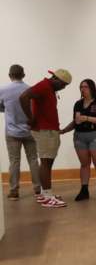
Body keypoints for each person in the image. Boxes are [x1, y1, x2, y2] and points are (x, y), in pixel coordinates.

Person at [19, 69, 71, 208]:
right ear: (56, 79)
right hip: (45, 130)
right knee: (46, 162)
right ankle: (47, 197)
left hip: (48, 129)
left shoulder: (48, 87)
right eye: (63, 84)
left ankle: (44, 194)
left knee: (47, 162)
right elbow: (24, 97)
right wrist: (30, 118)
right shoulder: (44, 85)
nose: (63, 87)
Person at [60, 79, 96, 201]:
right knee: (84, 164)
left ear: (92, 88)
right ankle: (84, 190)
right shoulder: (78, 104)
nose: (83, 89)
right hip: (80, 136)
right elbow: (76, 121)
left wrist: (87, 118)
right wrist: (64, 130)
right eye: (81, 87)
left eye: (85, 87)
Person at [0, 65, 41, 200]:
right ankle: (37, 189)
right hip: (29, 131)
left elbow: (1, 107)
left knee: (14, 161)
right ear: (23, 75)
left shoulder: (3, 90)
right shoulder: (30, 89)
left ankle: (14, 191)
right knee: (33, 160)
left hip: (12, 132)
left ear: (10, 75)